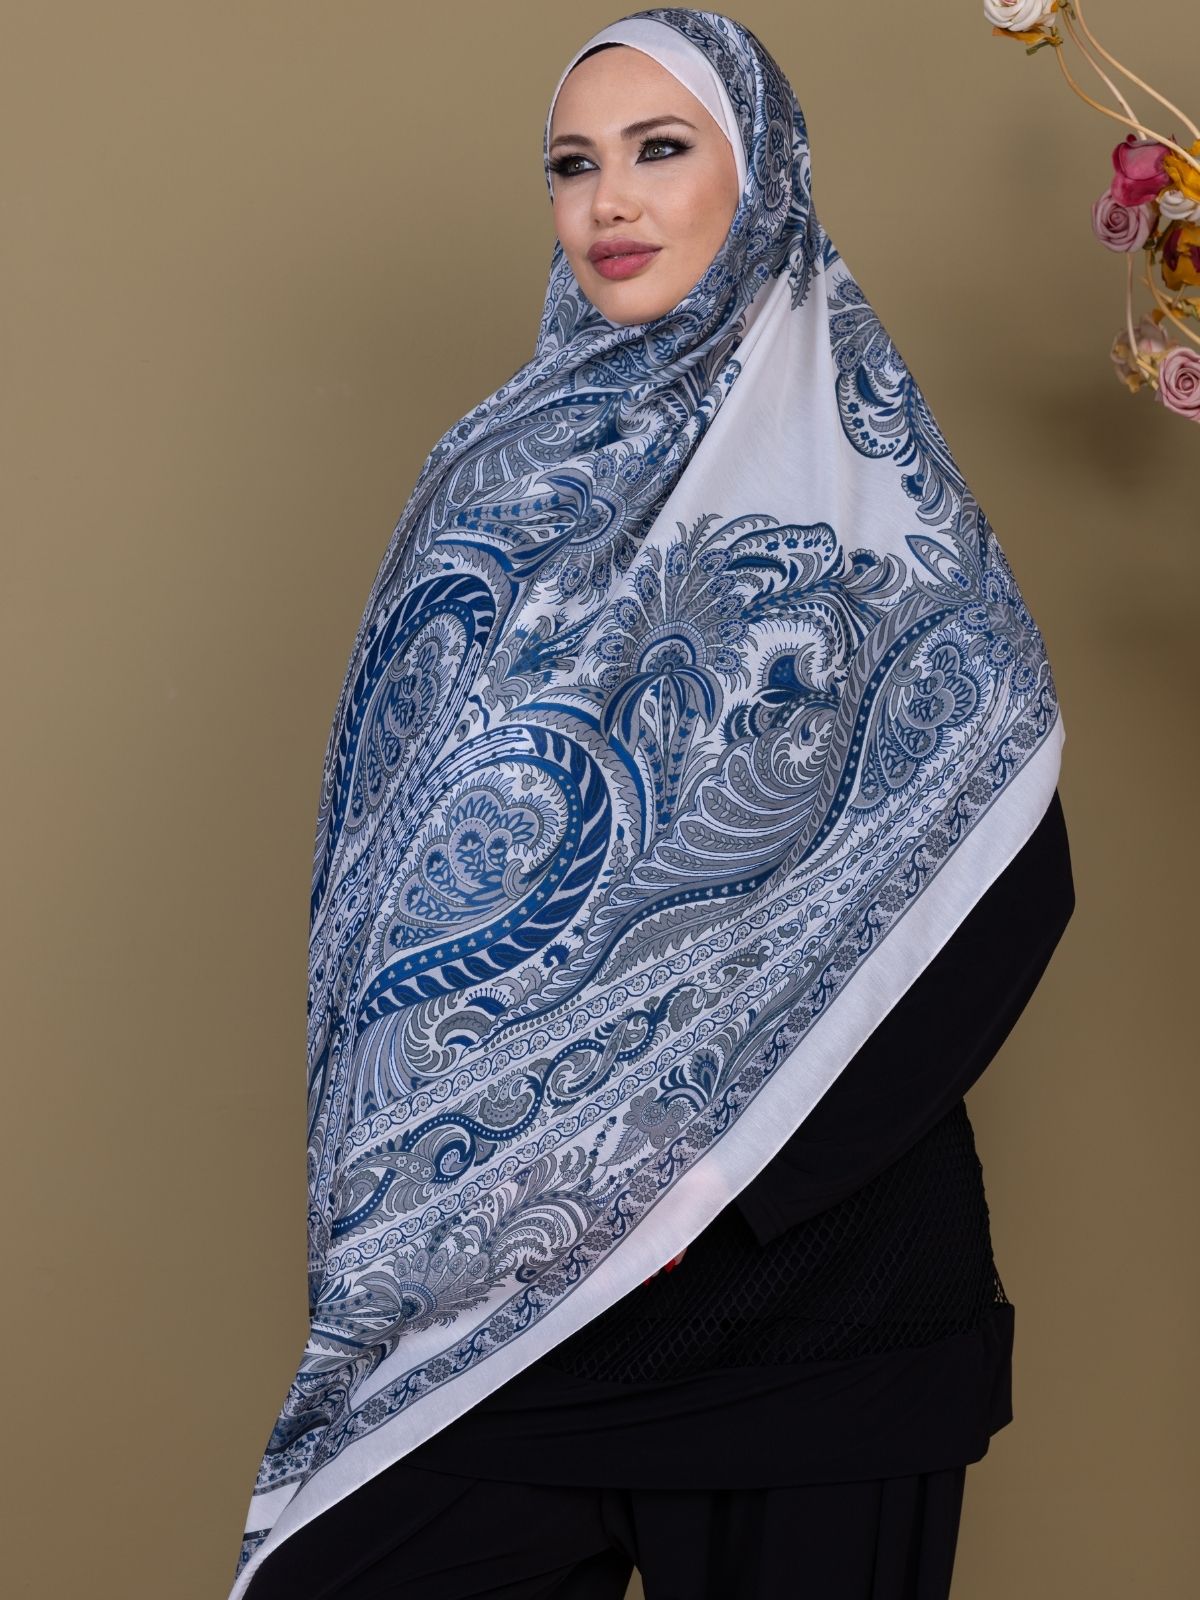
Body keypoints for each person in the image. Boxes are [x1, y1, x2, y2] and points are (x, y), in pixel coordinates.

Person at [229, 10, 1074, 1599]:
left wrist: (725, 1183)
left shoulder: (875, 502)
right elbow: (387, 889)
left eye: (661, 149)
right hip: (505, 1310)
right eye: (574, 164)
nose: (609, 199)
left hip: (815, 1325)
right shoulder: (486, 486)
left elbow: (1008, 877)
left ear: (765, 178)